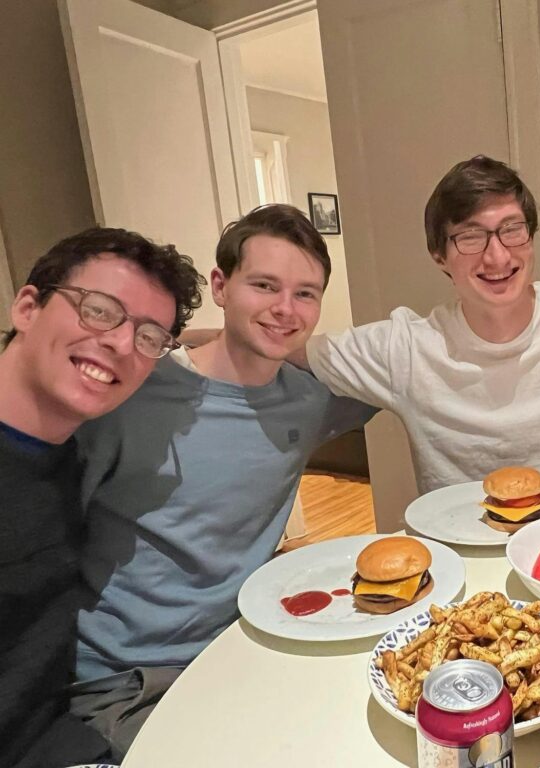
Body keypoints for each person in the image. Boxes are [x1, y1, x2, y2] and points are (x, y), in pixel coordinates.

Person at [71, 205, 377, 760]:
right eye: (264, 285)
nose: (286, 309)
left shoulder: (309, 400)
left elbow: (406, 375)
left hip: (247, 649)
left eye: (305, 294)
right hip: (126, 680)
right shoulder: (128, 397)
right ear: (220, 284)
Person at [0, 227, 203, 768]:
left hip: (56, 734)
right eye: (99, 310)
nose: (118, 342)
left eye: (148, 336)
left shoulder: (73, 455)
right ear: (27, 307)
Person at [305, 156, 540, 494]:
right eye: (470, 237)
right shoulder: (409, 348)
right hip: (463, 544)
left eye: (512, 230)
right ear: (439, 256)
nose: (498, 257)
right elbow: (286, 345)